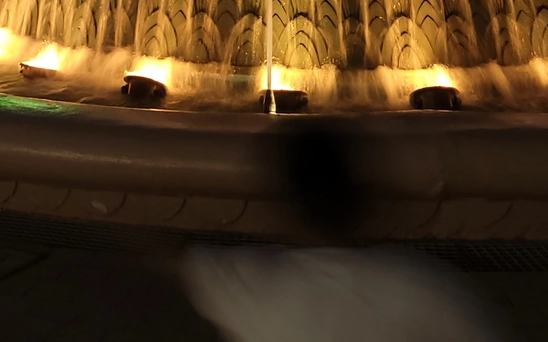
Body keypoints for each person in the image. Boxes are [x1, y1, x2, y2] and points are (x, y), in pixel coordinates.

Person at [181, 125, 505, 341]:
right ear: (366, 200)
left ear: (286, 210)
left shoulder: (250, 285)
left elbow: (188, 261)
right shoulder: (422, 287)